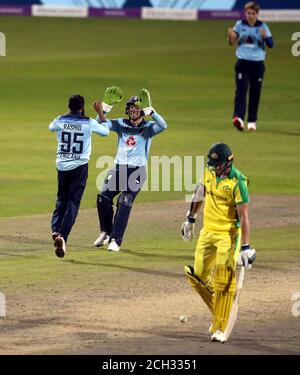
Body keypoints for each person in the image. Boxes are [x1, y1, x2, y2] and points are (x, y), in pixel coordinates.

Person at [181, 142, 256, 343]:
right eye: (213, 164)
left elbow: (244, 216)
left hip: (228, 235)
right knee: (197, 276)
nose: (214, 168)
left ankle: (220, 327)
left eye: (219, 165)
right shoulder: (209, 171)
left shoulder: (238, 181)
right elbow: (200, 192)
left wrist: (246, 247)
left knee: (223, 278)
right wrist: (190, 218)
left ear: (228, 163)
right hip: (208, 232)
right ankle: (223, 305)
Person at [94, 86, 167, 252]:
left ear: (142, 111)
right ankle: (106, 232)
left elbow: (163, 125)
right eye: (131, 108)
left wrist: (151, 110)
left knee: (124, 200)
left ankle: (116, 240)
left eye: (137, 109)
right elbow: (98, 126)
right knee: (103, 198)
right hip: (119, 169)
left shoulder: (148, 128)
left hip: (137, 171)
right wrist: (103, 109)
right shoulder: (121, 124)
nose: (133, 111)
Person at [49, 95, 109, 258]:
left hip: (62, 165)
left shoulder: (60, 120)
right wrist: (101, 113)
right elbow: (105, 131)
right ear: (82, 107)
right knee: (73, 203)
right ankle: (63, 236)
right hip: (79, 167)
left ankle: (55, 229)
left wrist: (66, 118)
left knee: (61, 198)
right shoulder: (89, 122)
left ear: (68, 106)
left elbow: (51, 127)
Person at [228, 2, 273, 132]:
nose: (250, 16)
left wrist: (265, 37)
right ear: (245, 13)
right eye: (248, 13)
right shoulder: (239, 25)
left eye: (253, 13)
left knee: (255, 93)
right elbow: (232, 42)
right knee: (241, 91)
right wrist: (230, 36)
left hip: (257, 64)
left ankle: (252, 121)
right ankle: (239, 118)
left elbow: (271, 44)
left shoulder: (263, 26)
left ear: (257, 14)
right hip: (242, 63)